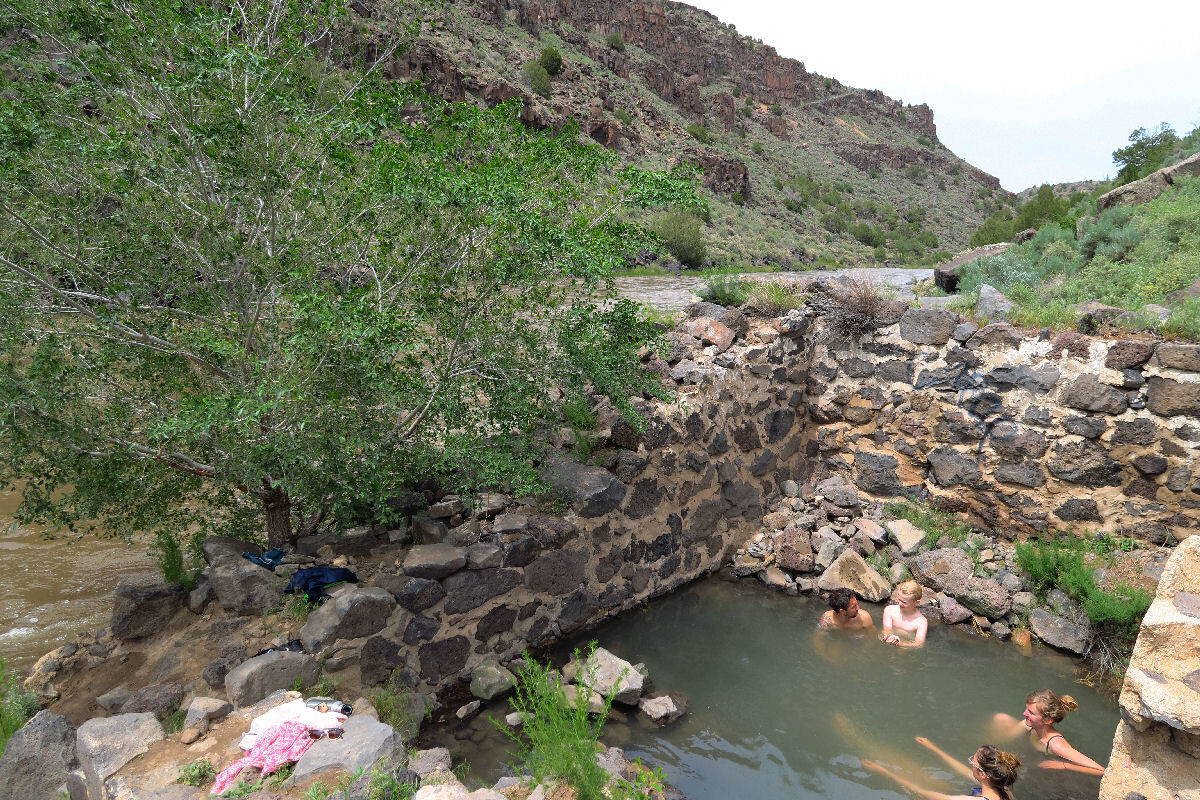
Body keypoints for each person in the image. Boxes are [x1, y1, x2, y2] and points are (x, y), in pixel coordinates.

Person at [991, 689, 1105, 775]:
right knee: (1000, 717)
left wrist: (1064, 765)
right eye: (1026, 709)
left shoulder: (1056, 745)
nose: (1024, 713)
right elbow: (1005, 739)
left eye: (1031, 713)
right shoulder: (1028, 725)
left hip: (1050, 768)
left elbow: (1101, 771)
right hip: (1031, 755)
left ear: (1047, 720)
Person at [863, 741, 1022, 800]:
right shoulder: (1005, 791)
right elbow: (963, 771)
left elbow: (921, 791)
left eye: (972, 761)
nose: (970, 764)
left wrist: (884, 771)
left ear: (983, 774)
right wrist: (934, 749)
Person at [881, 580, 928, 647]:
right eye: (899, 599)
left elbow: (919, 643)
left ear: (916, 603)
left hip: (907, 646)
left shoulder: (921, 621)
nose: (900, 604)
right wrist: (888, 636)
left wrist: (902, 644)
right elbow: (887, 629)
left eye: (904, 602)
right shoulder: (889, 610)